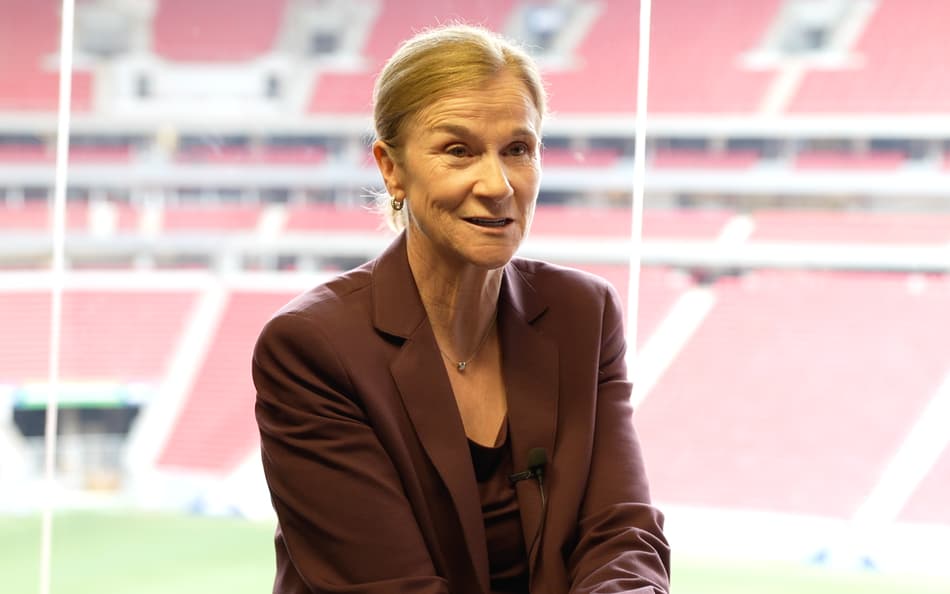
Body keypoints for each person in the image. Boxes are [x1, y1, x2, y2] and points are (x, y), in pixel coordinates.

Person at [253, 23, 671, 594]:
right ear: (390, 168)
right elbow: (389, 586)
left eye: (518, 150)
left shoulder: (585, 314)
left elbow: (622, 539)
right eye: (459, 151)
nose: (497, 183)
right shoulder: (311, 347)